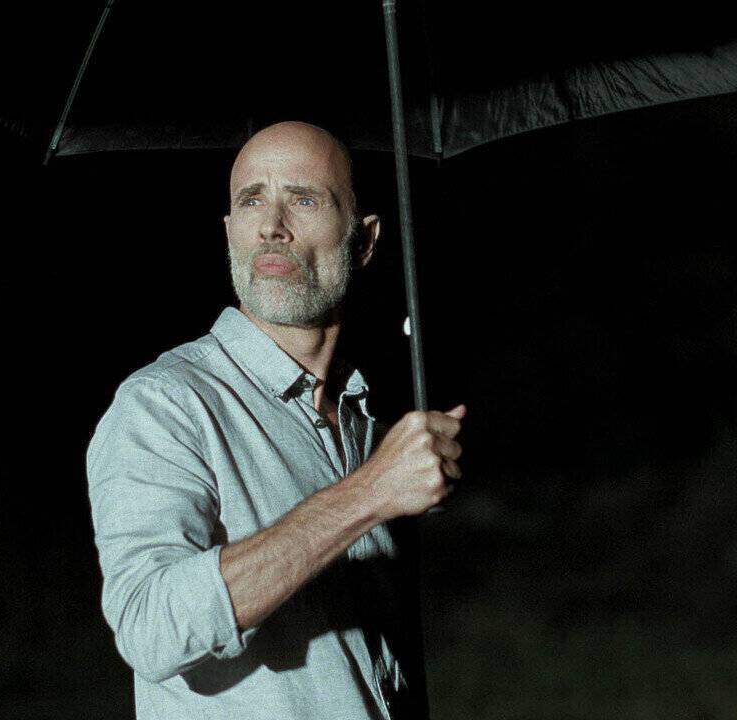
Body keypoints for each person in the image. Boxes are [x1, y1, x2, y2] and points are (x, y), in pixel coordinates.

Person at [86, 121, 465, 719]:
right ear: (229, 232)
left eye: (304, 199)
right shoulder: (165, 403)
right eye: (251, 200)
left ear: (364, 241)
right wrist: (368, 494)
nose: (271, 225)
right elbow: (149, 626)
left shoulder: (365, 416)